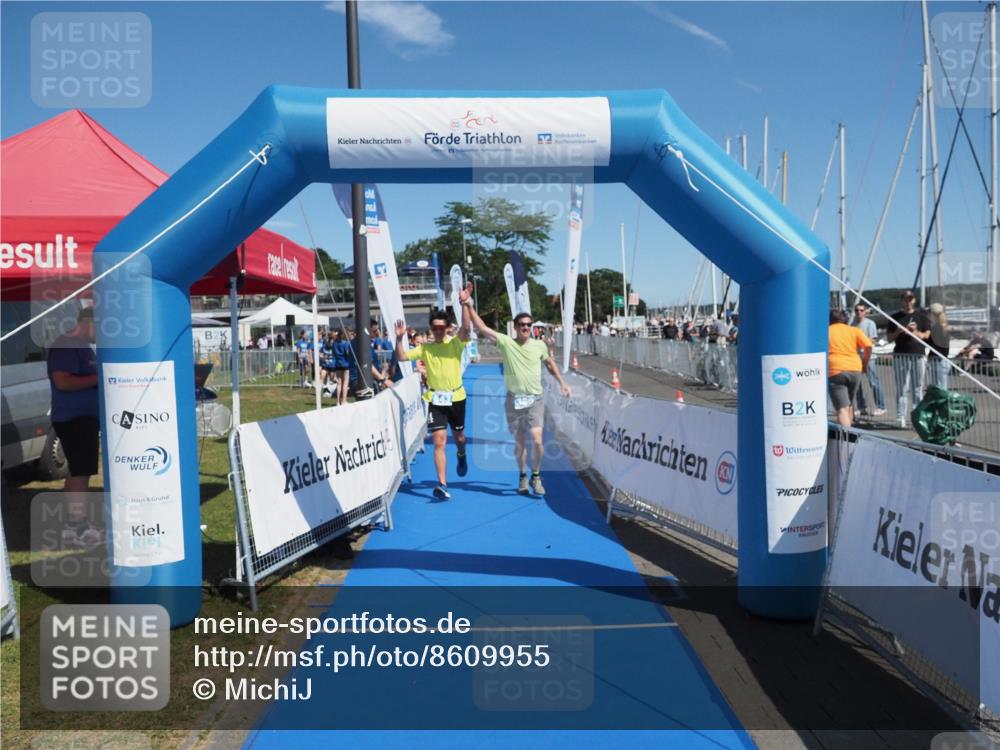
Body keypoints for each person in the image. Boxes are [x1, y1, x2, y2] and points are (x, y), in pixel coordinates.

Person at [460, 284, 572, 496]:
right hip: (514, 400)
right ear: (516, 327)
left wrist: (562, 383)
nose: (525, 328)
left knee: (537, 441)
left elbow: (549, 364)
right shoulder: (506, 343)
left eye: (528, 325)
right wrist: (469, 304)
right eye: (521, 325)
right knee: (520, 443)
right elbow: (482, 327)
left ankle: (536, 475)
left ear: (532, 327)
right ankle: (522, 475)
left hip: (535, 400)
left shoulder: (539, 345)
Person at [394, 305, 472, 500]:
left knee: (459, 438)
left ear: (447, 328)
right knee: (439, 440)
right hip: (436, 399)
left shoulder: (455, 343)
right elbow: (401, 356)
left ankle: (461, 454)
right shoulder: (425, 348)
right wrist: (399, 338)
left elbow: (466, 328)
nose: (437, 331)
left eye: (441, 327)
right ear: (431, 328)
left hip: (456, 398)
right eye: (434, 327)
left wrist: (465, 305)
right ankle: (442, 484)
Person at [47, 307, 102, 548]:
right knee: (81, 472)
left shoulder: (82, 346)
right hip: (74, 418)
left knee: (78, 471)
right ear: (88, 322)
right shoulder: (66, 344)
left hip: (83, 418)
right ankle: (78, 528)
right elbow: (62, 382)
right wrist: (99, 378)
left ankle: (73, 526)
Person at [888, 290, 931, 426]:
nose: (908, 302)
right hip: (900, 355)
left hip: (918, 355)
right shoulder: (895, 317)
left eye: (910, 299)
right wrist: (898, 331)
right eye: (906, 299)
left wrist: (915, 331)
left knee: (918, 387)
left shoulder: (922, 317)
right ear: (902, 301)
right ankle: (901, 416)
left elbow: (926, 335)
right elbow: (889, 338)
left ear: (914, 300)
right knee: (902, 387)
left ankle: (917, 416)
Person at [828, 309, 872, 427]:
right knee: (849, 404)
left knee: (842, 409)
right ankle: (850, 432)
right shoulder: (854, 330)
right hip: (855, 369)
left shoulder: (826, 331)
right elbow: (868, 346)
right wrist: (865, 364)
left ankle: (846, 435)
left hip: (836, 369)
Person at [850, 303, 885, 416]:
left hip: (869, 356)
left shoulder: (870, 323)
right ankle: (861, 407)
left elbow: (873, 339)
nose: (859, 312)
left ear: (865, 312)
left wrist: (860, 342)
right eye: (857, 310)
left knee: (873, 382)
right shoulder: (852, 324)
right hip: (856, 357)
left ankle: (881, 406)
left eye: (861, 310)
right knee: (857, 384)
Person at [927, 302, 951, 389]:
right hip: (942, 359)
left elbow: (932, 343)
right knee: (941, 388)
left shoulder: (936, 328)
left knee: (939, 389)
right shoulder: (944, 326)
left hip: (938, 360)